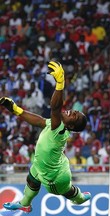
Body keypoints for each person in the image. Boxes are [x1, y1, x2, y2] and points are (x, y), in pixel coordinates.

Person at [2, 60, 91, 213]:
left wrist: (60, 83)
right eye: (75, 111)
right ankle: (25, 203)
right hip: (46, 163)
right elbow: (40, 121)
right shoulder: (56, 123)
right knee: (31, 179)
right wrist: (17, 110)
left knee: (66, 191)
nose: (71, 112)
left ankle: (80, 198)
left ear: (70, 126)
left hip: (56, 176)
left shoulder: (60, 128)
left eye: (74, 116)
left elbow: (55, 108)